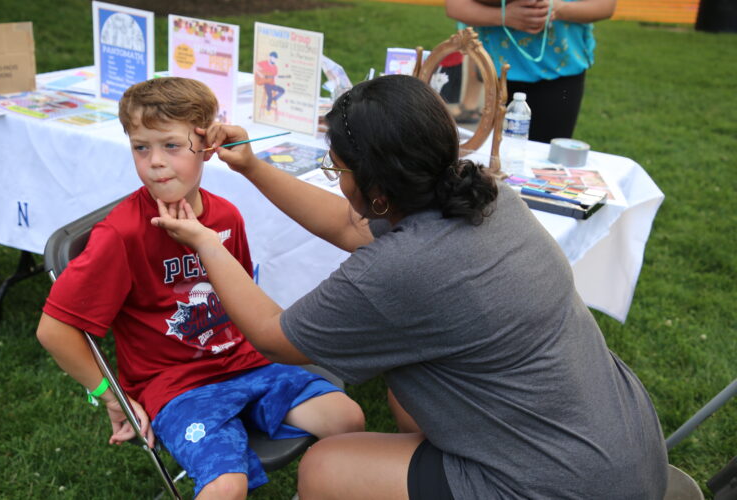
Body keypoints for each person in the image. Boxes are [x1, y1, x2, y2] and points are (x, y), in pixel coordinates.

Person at [151, 74, 668, 499]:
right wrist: (253, 167)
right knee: (405, 393)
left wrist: (204, 241)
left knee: (325, 468)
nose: (338, 178)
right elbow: (348, 226)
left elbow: (270, 333)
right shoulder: (484, 195)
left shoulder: (397, 271)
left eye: (338, 168)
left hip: (559, 487)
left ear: (377, 191)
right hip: (625, 448)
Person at [35, 77, 364, 499]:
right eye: (141, 147)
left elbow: (243, 303)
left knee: (348, 419)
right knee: (228, 486)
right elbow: (54, 328)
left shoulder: (226, 217)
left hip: (249, 364)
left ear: (207, 144)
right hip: (176, 387)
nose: (154, 162)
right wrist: (110, 396)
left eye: (171, 146)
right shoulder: (121, 234)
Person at [445, 0, 616, 143]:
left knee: (547, 164)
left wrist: (557, 9)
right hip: (497, 74)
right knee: (491, 160)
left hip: (561, 73)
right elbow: (455, 6)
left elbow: (605, 5)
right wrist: (505, 16)